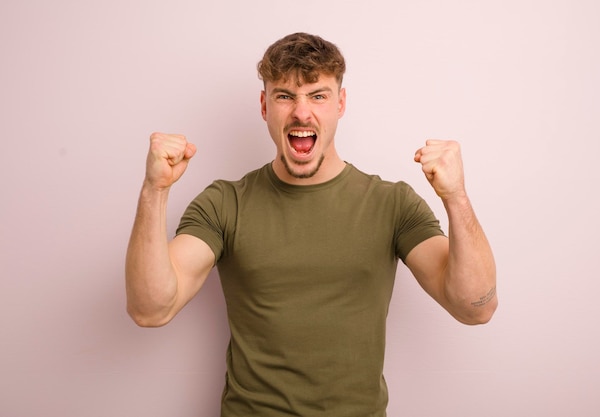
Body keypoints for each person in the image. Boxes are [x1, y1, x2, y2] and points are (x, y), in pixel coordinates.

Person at [125, 32, 497, 416]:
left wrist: (457, 198)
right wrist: (155, 190)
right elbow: (150, 309)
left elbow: (475, 307)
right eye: (285, 95)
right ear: (264, 106)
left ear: (341, 104)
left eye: (317, 95)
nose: (302, 113)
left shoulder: (392, 204)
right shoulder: (225, 203)